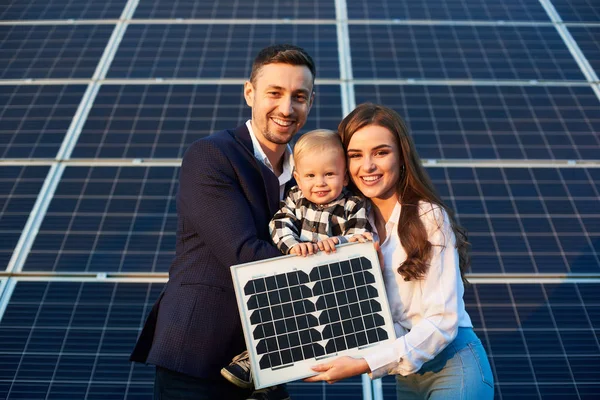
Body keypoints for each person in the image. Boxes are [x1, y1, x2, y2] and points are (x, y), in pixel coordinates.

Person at [130, 44, 316, 400]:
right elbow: (242, 250)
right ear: (250, 93)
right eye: (274, 93)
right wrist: (333, 276)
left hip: (269, 364)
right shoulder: (212, 155)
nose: (286, 108)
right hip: (199, 355)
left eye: (299, 96)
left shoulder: (309, 175)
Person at [305, 103, 494, 399]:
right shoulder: (348, 226)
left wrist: (363, 363)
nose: (367, 166)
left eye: (381, 152)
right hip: (406, 377)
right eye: (355, 155)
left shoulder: (427, 216)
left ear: (402, 156)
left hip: (453, 366)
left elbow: (443, 320)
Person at [221, 129, 373, 390]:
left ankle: (311, 358)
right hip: (297, 273)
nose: (320, 183)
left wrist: (338, 243)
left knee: (326, 323)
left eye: (329, 174)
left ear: (345, 176)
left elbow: (360, 237)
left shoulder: (352, 205)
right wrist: (292, 247)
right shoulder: (295, 199)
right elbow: (279, 225)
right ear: (297, 178)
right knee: (277, 313)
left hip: (333, 279)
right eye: (311, 176)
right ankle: (257, 361)